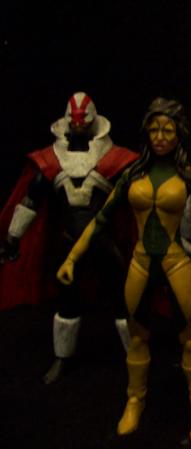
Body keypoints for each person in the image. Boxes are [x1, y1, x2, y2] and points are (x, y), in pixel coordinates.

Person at [56, 97, 191, 442]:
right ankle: (134, 400)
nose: (160, 136)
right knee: (137, 336)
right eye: (154, 129)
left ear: (179, 133)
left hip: (175, 262)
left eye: (167, 129)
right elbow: (100, 220)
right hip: (140, 263)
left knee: (190, 339)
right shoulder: (132, 174)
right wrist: (71, 258)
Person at [0, 92, 138, 383]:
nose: (78, 127)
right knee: (67, 302)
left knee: (122, 300)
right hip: (68, 242)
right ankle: (63, 357)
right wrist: (13, 236)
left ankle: (135, 357)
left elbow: (141, 199)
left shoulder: (116, 161)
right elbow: (31, 201)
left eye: (82, 123)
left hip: (103, 242)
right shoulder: (51, 161)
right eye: (74, 123)